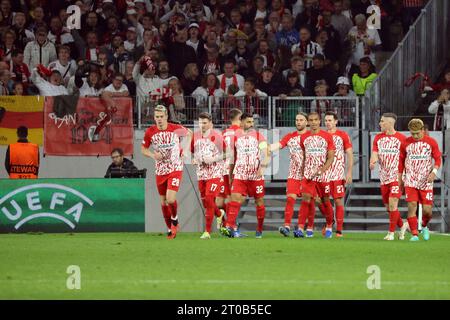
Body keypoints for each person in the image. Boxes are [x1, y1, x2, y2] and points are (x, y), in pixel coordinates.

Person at [141, 105, 193, 239]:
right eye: (156, 117)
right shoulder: (150, 132)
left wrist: (185, 150)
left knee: (170, 199)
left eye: (161, 117)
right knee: (163, 201)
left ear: (166, 117)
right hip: (160, 170)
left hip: (175, 168)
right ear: (154, 117)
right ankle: (170, 228)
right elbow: (144, 149)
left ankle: (174, 220)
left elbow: (190, 134)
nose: (159, 119)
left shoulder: (175, 128)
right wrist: (153, 155)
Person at [221, 113, 270, 239]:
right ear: (241, 122)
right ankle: (229, 227)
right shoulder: (235, 138)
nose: (251, 125)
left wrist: (263, 166)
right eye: (248, 122)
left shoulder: (259, 136)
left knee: (259, 202)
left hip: (255, 176)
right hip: (240, 174)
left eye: (252, 122)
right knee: (235, 199)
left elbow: (266, 153)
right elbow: (233, 157)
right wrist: (231, 175)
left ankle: (259, 229)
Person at [398, 118, 441, 242]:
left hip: (426, 181)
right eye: (412, 133)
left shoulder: (431, 142)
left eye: (417, 133)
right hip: (410, 180)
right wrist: (400, 179)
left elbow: (438, 159)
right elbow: (401, 162)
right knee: (411, 206)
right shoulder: (405, 143)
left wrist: (434, 172)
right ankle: (415, 234)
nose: (415, 136)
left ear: (423, 130)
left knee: (428, 211)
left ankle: (424, 225)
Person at [296, 112, 335, 238]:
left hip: (323, 175)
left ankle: (329, 224)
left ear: (319, 121)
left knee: (325, 200)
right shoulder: (303, 138)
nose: (313, 122)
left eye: (316, 120)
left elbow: (330, 158)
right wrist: (302, 172)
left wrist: (322, 170)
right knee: (306, 199)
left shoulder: (327, 136)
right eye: (311, 120)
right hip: (308, 174)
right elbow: (304, 157)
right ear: (308, 122)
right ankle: (301, 228)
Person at [270, 112, 308, 236]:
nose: (298, 122)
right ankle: (287, 226)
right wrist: (267, 147)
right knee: (290, 199)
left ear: (306, 122)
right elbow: (278, 145)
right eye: (297, 120)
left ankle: (303, 228)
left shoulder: (311, 137)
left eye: (301, 120)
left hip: (309, 175)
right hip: (294, 173)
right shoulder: (290, 136)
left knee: (310, 202)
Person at [370, 113, 407, 241]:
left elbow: (407, 158)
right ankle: (402, 225)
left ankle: (391, 233)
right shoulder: (378, 138)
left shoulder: (402, 139)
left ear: (390, 123)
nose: (380, 124)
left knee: (392, 204)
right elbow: (375, 153)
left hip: (397, 176)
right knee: (388, 208)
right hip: (384, 177)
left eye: (382, 121)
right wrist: (372, 161)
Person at [191, 112, 226, 239]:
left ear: (210, 123)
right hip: (201, 173)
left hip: (215, 172)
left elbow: (227, 154)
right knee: (206, 203)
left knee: (210, 198)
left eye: (205, 123)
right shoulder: (195, 137)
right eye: (200, 123)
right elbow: (192, 153)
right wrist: (194, 159)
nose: (202, 125)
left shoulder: (217, 136)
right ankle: (219, 214)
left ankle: (207, 231)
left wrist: (213, 159)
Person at [323, 112, 353, 237]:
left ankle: (339, 230)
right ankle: (330, 222)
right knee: (322, 200)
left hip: (337, 173)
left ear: (336, 121)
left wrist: (349, 172)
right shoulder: (321, 136)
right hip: (323, 174)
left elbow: (349, 154)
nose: (327, 123)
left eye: (330, 120)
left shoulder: (342, 135)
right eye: (326, 120)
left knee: (338, 201)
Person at [216, 108, 243, 228]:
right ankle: (231, 225)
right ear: (239, 118)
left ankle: (225, 223)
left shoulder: (223, 133)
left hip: (222, 169)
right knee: (233, 199)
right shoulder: (241, 133)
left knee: (220, 201)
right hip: (235, 169)